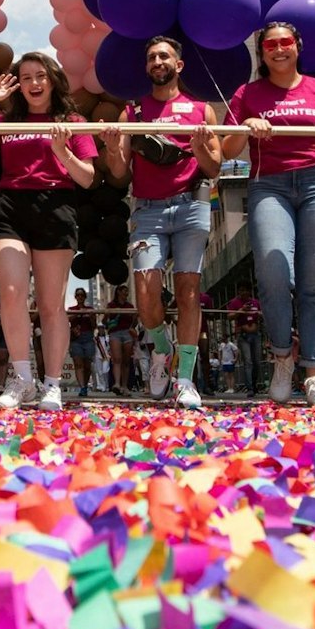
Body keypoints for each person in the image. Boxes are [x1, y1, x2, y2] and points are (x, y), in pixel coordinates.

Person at [221, 22, 315, 407]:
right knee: (274, 274)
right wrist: (246, 127)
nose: (278, 49)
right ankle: (282, 356)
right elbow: (226, 148)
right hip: (268, 185)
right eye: (270, 44)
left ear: (298, 47)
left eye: (286, 42)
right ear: (262, 53)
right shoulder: (247, 93)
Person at [100, 37, 223, 407]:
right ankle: (161, 348)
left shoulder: (202, 109)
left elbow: (214, 168)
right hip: (148, 210)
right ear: (146, 66)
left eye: (164, 55)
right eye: (151, 56)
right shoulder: (132, 112)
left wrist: (200, 146)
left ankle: (184, 378)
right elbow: (120, 172)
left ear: (178, 65)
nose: (157, 60)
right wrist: (111, 145)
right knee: (146, 292)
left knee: (188, 291)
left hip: (191, 206)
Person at [0, 53, 97, 410]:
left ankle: (53, 384)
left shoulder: (73, 121)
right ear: (18, 85)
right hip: (10, 205)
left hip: (55, 205)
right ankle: (22, 378)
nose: (33, 83)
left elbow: (87, 178)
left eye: (40, 75)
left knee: (50, 304)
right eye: (25, 78)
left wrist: (63, 151)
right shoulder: (6, 119)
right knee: (11, 292)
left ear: (53, 80)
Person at [103, 283, 137, 393]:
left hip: (127, 333)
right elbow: (104, 321)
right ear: (118, 292)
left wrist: (133, 322)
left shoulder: (130, 306)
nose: (126, 293)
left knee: (126, 361)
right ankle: (117, 383)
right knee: (117, 359)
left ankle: (124, 385)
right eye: (124, 291)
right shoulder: (111, 305)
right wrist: (108, 315)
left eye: (127, 291)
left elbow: (134, 322)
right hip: (115, 333)